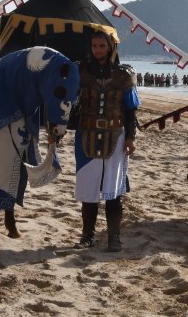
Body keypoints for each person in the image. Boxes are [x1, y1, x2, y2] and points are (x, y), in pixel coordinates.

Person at [74, 31, 139, 252]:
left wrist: (130, 137)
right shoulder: (80, 72)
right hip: (86, 136)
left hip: (115, 136)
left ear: (110, 48)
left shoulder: (123, 75)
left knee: (113, 190)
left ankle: (114, 238)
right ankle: (88, 236)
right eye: (94, 46)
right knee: (89, 190)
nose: (98, 50)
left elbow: (130, 110)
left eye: (102, 46)